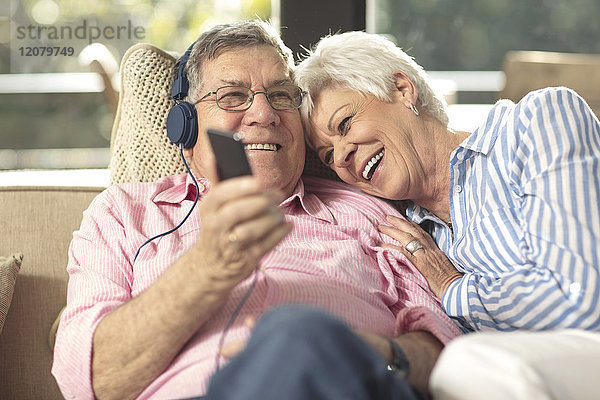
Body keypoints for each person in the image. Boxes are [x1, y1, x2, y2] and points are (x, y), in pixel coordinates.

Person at [51, 21, 462, 400]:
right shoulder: (125, 215)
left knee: (297, 334)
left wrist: (380, 354)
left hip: (349, 386)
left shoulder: (368, 211)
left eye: (281, 96)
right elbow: (90, 380)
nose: (265, 114)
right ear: (187, 132)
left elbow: (443, 343)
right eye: (233, 97)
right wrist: (208, 267)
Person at [295, 31, 600, 399]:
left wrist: (452, 286)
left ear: (402, 90)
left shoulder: (537, 123)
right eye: (328, 156)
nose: (341, 156)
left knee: (462, 365)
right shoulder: (403, 236)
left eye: (344, 125)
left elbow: (577, 302)